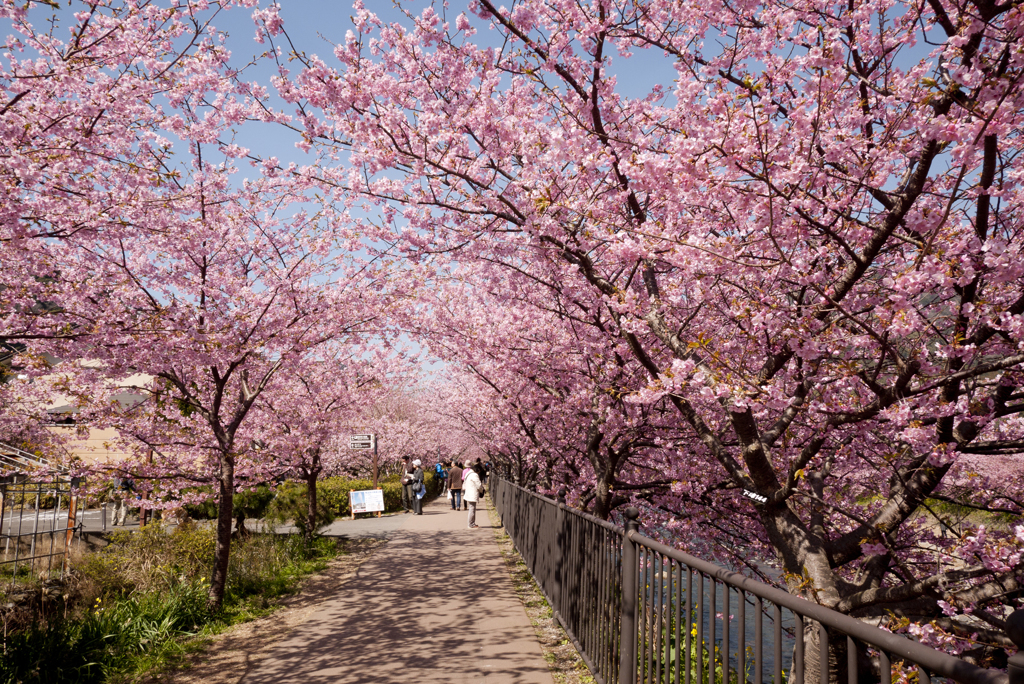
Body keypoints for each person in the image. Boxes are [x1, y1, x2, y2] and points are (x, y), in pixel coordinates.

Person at [463, 463, 484, 529]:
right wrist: (482, 490)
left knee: (471, 508)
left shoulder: (468, 473)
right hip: (472, 493)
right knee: (472, 509)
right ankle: (471, 524)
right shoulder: (474, 475)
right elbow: (478, 485)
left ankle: (471, 523)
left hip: (469, 492)